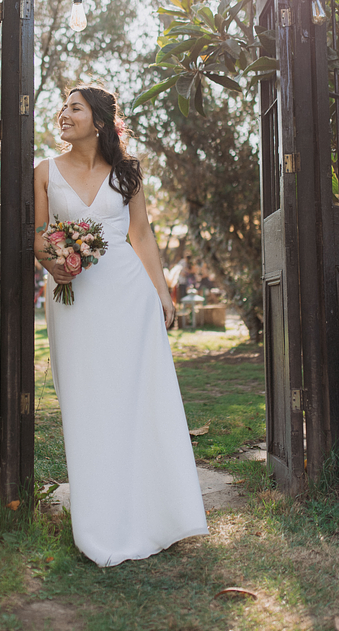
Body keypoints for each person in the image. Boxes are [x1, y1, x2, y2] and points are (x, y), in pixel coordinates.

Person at [33, 85, 208, 567]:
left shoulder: (127, 172)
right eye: (63, 107)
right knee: (84, 399)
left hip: (129, 297)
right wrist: (54, 262)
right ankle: (98, 520)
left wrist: (162, 292)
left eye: (74, 107)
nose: (64, 114)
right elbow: (38, 233)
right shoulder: (44, 171)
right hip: (73, 298)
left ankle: (156, 510)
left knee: (135, 399)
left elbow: (141, 233)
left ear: (98, 120)